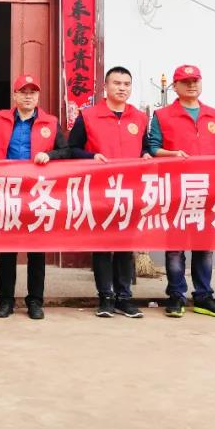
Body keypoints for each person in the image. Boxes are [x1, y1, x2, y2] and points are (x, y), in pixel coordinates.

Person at [0, 74, 70, 320]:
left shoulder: (51, 122)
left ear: (38, 96)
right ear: (15, 95)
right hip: (7, 191)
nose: (28, 97)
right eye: (23, 92)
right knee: (7, 249)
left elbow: (67, 150)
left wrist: (51, 155)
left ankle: (35, 301)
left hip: (37, 193)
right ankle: (5, 300)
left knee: (36, 250)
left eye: (32, 92)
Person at [148, 64, 215, 318]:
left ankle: (203, 295)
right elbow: (153, 148)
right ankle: (176, 295)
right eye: (186, 82)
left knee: (204, 246)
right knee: (175, 246)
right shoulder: (163, 115)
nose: (192, 85)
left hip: (208, 189)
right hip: (176, 189)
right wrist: (172, 154)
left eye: (195, 80)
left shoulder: (214, 115)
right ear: (175, 87)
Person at [67, 65, 149, 318]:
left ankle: (124, 297)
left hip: (130, 190)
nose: (122, 88)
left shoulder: (139, 117)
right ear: (105, 86)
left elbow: (145, 148)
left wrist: (147, 154)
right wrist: (91, 156)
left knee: (125, 245)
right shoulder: (89, 116)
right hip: (100, 190)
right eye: (117, 83)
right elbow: (72, 148)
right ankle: (105, 297)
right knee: (102, 245)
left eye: (126, 84)